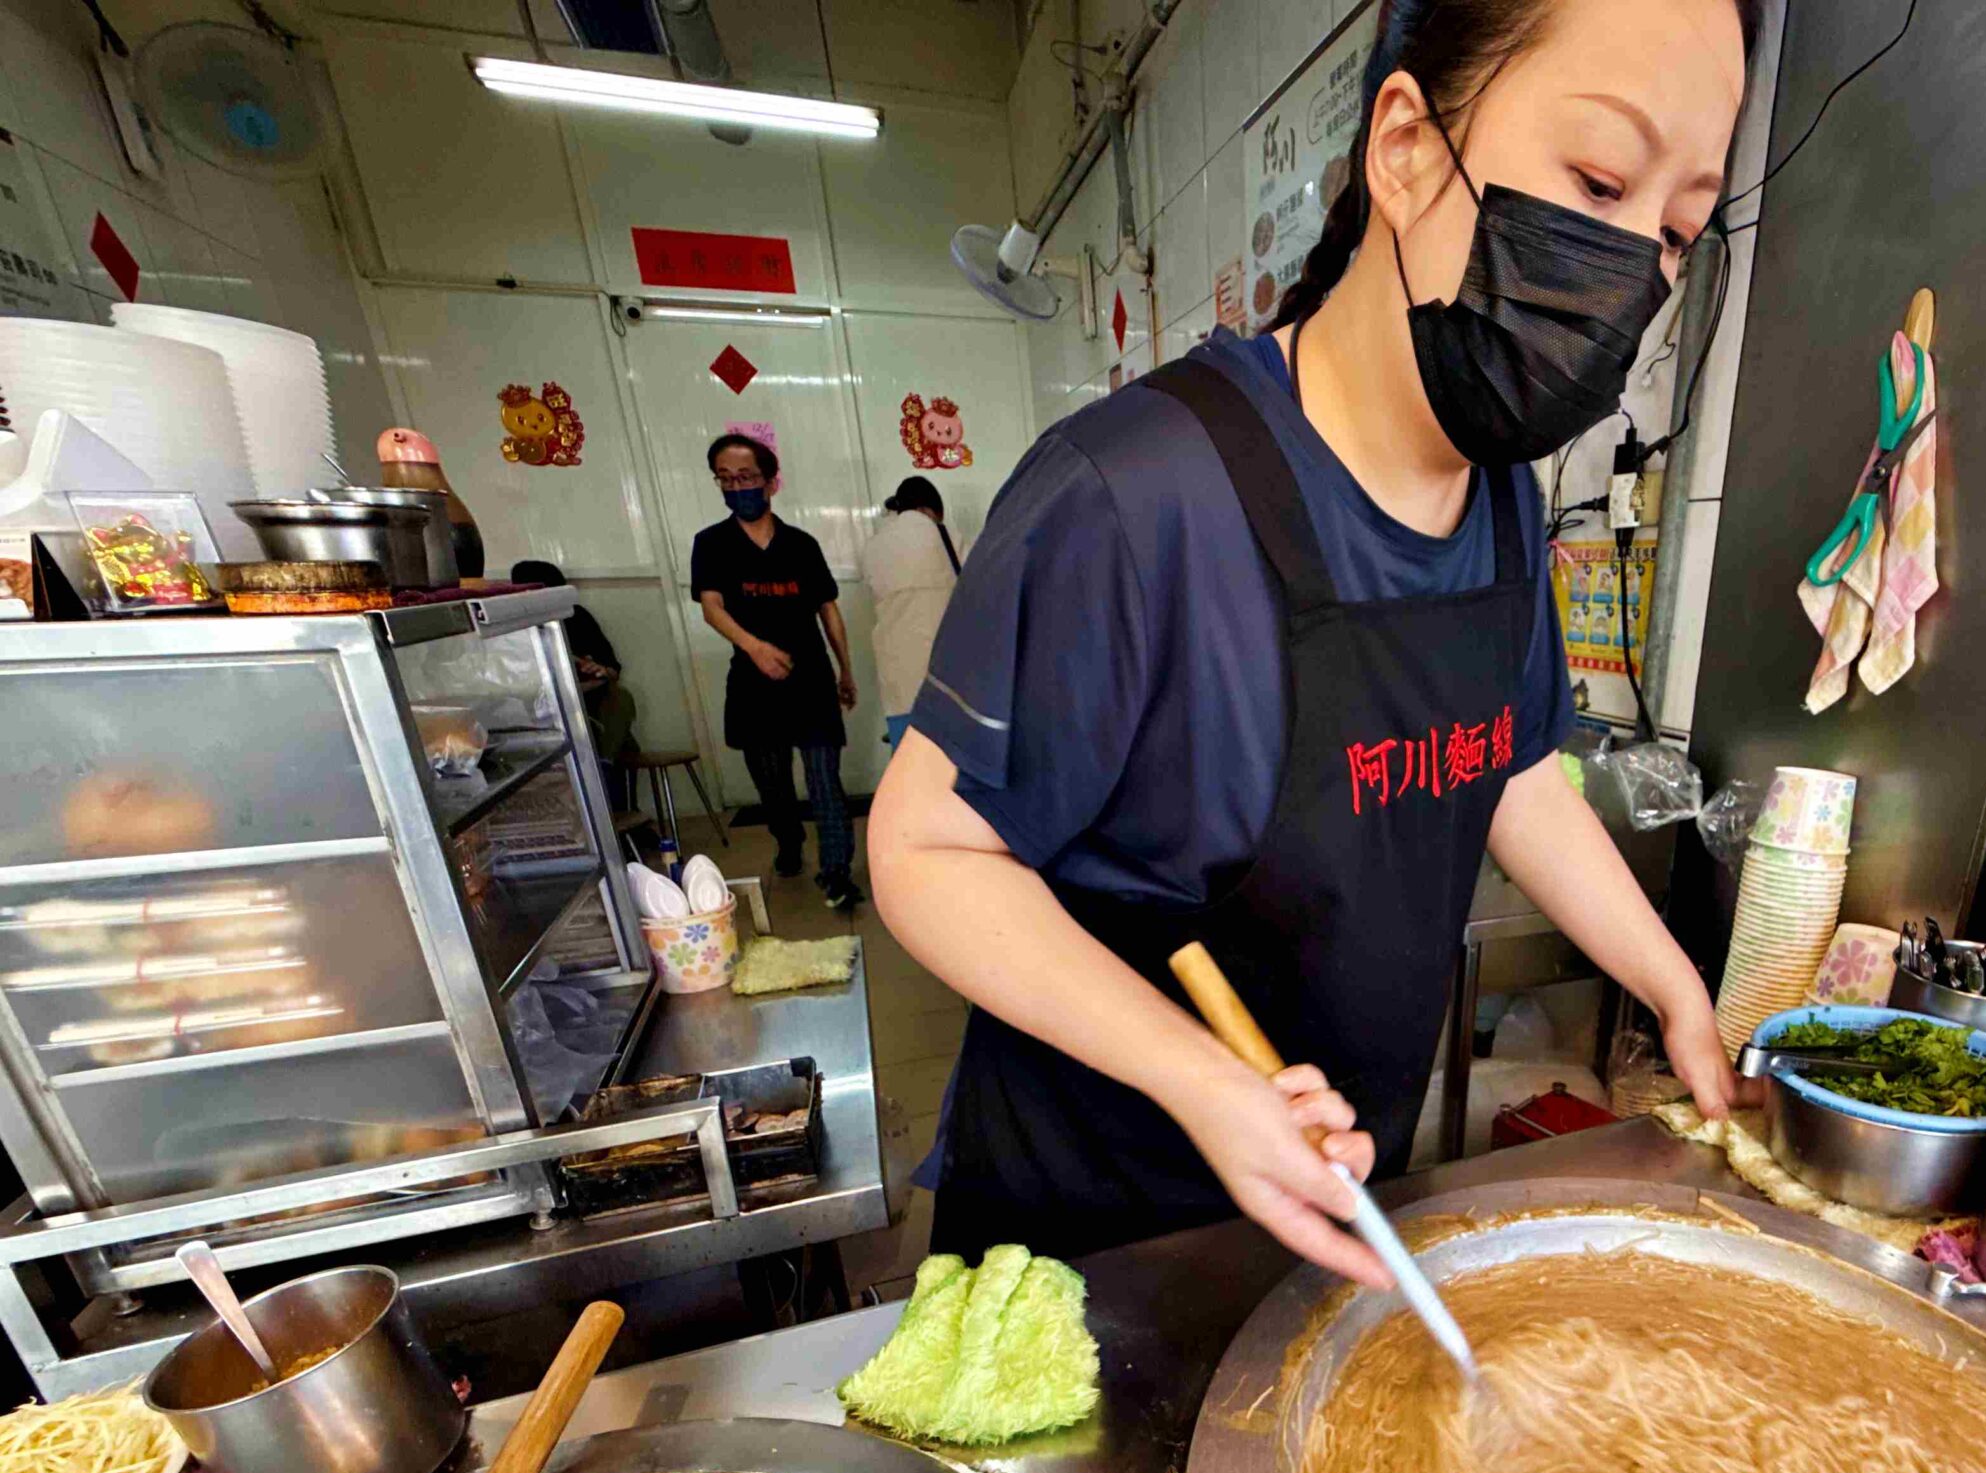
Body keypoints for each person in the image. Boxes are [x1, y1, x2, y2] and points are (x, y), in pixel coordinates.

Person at [869, 0, 1751, 1287]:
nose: (1630, 274)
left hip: (1331, 1205)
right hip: (1094, 1243)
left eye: (1673, 231)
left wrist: (1674, 989)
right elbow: (927, 852)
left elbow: (1506, 766)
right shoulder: (1136, 497)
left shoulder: (1503, 502)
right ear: (1405, 148)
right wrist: (1203, 1082)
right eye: (1600, 183)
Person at [691, 433, 863, 909]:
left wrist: (846, 670)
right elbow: (711, 606)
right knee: (773, 785)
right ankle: (789, 841)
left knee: (825, 781)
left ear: (769, 481)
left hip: (811, 680)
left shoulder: (801, 545)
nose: (736, 487)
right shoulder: (712, 544)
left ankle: (836, 872)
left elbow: (828, 609)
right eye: (725, 479)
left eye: (745, 477)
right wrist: (755, 648)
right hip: (754, 686)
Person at [508, 559, 635, 807]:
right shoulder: (517, 626)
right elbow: (524, 683)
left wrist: (601, 671)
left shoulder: (578, 617)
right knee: (617, 740)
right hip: (548, 707)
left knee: (621, 699)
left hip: (591, 700)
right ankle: (612, 801)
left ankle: (606, 774)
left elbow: (613, 668)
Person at [858, 477, 966, 751]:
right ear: (930, 510)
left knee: (909, 754)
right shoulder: (947, 536)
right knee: (951, 758)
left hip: (897, 674)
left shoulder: (874, 545)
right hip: (945, 673)